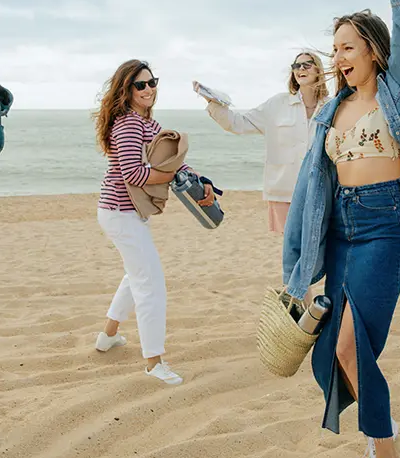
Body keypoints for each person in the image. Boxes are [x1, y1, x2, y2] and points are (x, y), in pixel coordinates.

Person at [282, 0, 400, 458]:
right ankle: (381, 449)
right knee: (330, 355)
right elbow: (309, 191)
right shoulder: (330, 110)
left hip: (384, 226)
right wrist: (297, 264)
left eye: (348, 47)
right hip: (339, 229)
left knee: (351, 344)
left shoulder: (399, 94)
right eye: (334, 48)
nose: (338, 57)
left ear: (372, 49)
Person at [92, 59, 215, 386]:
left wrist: (199, 179)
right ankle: (153, 363)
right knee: (151, 285)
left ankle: (108, 336)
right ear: (126, 89)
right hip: (120, 212)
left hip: (125, 212)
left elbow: (173, 161)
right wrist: (174, 174)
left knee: (137, 275)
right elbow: (134, 173)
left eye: (152, 82)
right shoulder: (129, 124)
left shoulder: (146, 122)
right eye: (140, 85)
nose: (149, 89)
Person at [196, 52, 330, 233]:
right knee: (291, 252)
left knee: (320, 249)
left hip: (320, 192)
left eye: (306, 65)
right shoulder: (277, 104)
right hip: (283, 193)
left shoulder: (331, 107)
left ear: (318, 70)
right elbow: (238, 123)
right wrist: (212, 101)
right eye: (296, 66)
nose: (300, 69)